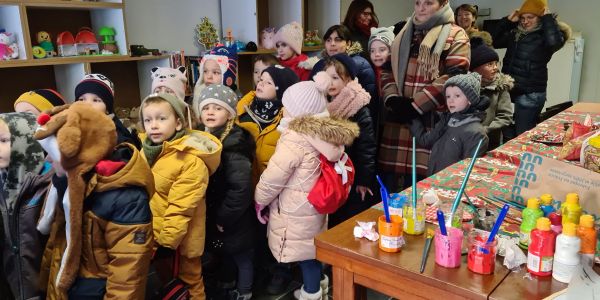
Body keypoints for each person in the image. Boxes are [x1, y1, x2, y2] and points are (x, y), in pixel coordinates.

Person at [254, 72, 359, 300]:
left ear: (298, 111)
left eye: (287, 107)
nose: (284, 110)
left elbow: (274, 176)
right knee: (311, 250)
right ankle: (319, 284)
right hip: (313, 205)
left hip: (295, 209)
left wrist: (260, 199)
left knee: (305, 255)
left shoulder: (295, 139)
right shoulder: (323, 133)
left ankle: (312, 293)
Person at [35, 102, 154, 299]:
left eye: (52, 153)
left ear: (76, 156)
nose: (47, 159)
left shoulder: (125, 197)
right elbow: (56, 250)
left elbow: (128, 275)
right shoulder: (65, 186)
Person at [381, 0, 470, 191]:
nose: (421, 8)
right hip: (398, 121)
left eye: (428, 3)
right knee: (391, 192)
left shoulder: (456, 34)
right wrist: (393, 99)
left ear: (443, 3)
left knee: (423, 189)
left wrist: (415, 105)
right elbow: (386, 71)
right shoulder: (403, 31)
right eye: (417, 2)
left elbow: (454, 77)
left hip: (430, 122)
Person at [140, 92, 221, 299]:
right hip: (155, 234)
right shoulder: (147, 150)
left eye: (161, 118)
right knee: (169, 283)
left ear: (177, 123)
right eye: (148, 120)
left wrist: (167, 243)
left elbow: (181, 207)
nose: (154, 125)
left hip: (180, 241)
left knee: (190, 282)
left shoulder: (190, 160)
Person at [235, 65, 298, 295]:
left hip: (277, 188)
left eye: (268, 82)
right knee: (254, 233)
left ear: (280, 89)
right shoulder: (243, 111)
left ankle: (280, 270)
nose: (260, 84)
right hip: (247, 184)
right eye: (260, 79)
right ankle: (258, 269)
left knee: (277, 232)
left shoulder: (288, 119)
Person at [195, 85, 256, 300]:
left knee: (242, 256)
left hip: (233, 216)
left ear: (230, 114)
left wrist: (223, 216)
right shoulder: (205, 137)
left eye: (217, 108)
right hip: (219, 212)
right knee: (227, 251)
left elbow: (240, 188)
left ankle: (245, 291)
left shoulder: (233, 145)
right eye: (206, 108)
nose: (210, 112)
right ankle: (228, 282)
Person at [491, 0, 570, 136]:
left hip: (530, 94)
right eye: (523, 18)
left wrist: (548, 19)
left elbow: (554, 42)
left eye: (530, 17)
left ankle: (522, 157)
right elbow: (493, 40)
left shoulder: (545, 37)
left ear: (540, 18)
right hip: (509, 89)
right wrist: (508, 21)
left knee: (522, 135)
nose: (525, 21)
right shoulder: (516, 33)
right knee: (507, 133)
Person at [0, 113, 52, 300]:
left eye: (4, 140)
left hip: (45, 287)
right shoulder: (3, 184)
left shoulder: (48, 185)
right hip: (12, 286)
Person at [322, 55, 377, 228]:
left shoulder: (358, 108)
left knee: (346, 222)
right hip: (330, 175)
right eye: (327, 77)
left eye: (335, 78)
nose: (330, 83)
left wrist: (364, 181)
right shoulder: (325, 103)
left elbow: (366, 148)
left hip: (351, 176)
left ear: (349, 79)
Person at [410, 72, 489, 175]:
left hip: (452, 187)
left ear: (470, 99)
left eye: (457, 96)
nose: (451, 101)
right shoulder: (445, 121)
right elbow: (425, 140)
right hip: (433, 180)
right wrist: (411, 116)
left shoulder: (476, 133)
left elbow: (469, 171)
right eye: (448, 96)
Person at [310, 25, 378, 134]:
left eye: (338, 40)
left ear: (348, 43)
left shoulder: (360, 64)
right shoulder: (319, 65)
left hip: (354, 124)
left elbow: (370, 101)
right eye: (328, 40)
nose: (332, 44)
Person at [75, 73, 141, 148]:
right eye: (81, 99)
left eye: (96, 100)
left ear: (107, 110)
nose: (87, 104)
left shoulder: (115, 135)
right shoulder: (72, 126)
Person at [470, 37, 514, 150]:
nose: (495, 68)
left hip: (490, 141)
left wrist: (486, 129)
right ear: (476, 68)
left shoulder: (500, 87)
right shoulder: (465, 87)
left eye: (496, 63)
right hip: (467, 138)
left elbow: (505, 116)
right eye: (489, 64)